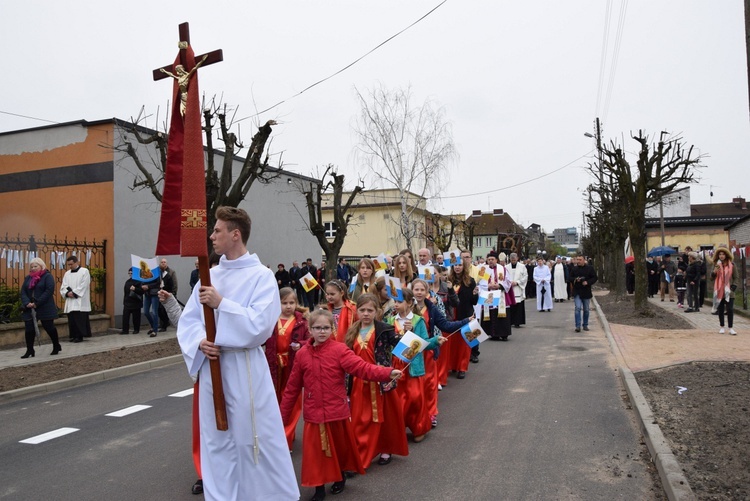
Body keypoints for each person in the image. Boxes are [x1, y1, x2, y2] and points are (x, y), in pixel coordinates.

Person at [176, 206, 298, 501]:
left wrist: (222, 304)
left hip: (245, 368)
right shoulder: (210, 275)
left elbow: (260, 326)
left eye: (217, 230)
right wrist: (199, 343)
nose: (211, 236)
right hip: (213, 366)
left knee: (251, 439)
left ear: (235, 234)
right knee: (216, 441)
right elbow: (189, 321)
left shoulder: (262, 277)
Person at [280, 309, 401, 501]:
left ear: (333, 329)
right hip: (314, 413)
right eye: (317, 328)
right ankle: (318, 487)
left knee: (339, 449)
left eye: (326, 328)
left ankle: (340, 476)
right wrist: (282, 419)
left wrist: (387, 372)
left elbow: (362, 368)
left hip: (336, 410)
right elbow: (292, 389)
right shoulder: (302, 355)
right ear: (310, 330)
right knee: (315, 454)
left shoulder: (340, 350)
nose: (321, 332)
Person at [160, 251, 221, 497]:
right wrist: (170, 302)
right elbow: (187, 323)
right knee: (207, 430)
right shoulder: (201, 290)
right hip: (207, 376)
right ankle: (205, 474)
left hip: (235, 376)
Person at [344, 293, 409, 468]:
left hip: (381, 381)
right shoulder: (352, 331)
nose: (366, 313)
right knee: (360, 420)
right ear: (356, 311)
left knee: (385, 418)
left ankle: (385, 448)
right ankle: (360, 453)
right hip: (358, 382)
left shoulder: (385, 329)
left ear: (377, 312)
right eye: (362, 310)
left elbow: (403, 345)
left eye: (370, 310)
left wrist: (412, 335)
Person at [386, 287, 446, 443]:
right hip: (396, 366)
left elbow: (424, 342)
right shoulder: (390, 321)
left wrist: (435, 341)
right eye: (395, 302)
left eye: (399, 301)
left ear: (409, 303)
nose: (396, 305)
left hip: (412, 365)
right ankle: (399, 429)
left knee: (415, 398)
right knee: (398, 400)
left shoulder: (418, 320)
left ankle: (419, 426)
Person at [265, 287, 310, 450]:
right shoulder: (271, 320)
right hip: (274, 366)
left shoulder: (302, 322)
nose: (288, 306)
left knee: (291, 400)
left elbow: (310, 341)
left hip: (293, 365)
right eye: (284, 303)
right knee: (275, 400)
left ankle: (286, 436)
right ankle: (278, 433)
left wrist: (301, 345)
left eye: (292, 302)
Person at [20, 258, 61, 358]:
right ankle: (30, 350)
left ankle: (56, 345)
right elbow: (23, 292)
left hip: (44, 306)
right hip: (30, 307)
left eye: (35, 266)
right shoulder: (28, 278)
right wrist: (27, 303)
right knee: (29, 329)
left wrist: (37, 303)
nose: (33, 268)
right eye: (32, 267)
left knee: (49, 327)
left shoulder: (47, 276)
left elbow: (49, 291)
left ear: (41, 266)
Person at [448, 260, 478, 370]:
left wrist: (475, 294)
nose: (457, 267)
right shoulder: (448, 280)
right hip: (452, 316)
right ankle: (453, 366)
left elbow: (474, 302)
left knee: (466, 344)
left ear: (464, 266)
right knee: (454, 344)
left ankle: (462, 368)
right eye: (455, 265)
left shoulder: (470, 281)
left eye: (460, 265)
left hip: (466, 314)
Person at [60, 255, 92, 343]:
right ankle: (73, 335)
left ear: (76, 262)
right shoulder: (67, 273)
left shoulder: (84, 271)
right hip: (70, 300)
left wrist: (74, 293)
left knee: (79, 319)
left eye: (71, 264)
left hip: (80, 300)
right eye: (69, 265)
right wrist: (67, 292)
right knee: (72, 319)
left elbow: (84, 284)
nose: (70, 266)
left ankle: (80, 336)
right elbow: (64, 285)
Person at [711, 247, 739, 335]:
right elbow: (711, 278)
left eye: (723, 254)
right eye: (720, 254)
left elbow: (736, 277)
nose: (721, 256)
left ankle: (731, 328)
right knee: (721, 309)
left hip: (729, 291)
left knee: (730, 309)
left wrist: (733, 287)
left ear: (726, 255)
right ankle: (722, 326)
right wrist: (714, 272)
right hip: (719, 290)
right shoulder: (716, 264)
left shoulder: (732, 265)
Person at [570, 254, 598, 332]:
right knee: (577, 308)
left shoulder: (589, 268)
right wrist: (576, 279)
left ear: (584, 260)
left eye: (580, 260)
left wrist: (587, 282)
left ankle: (585, 325)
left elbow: (595, 278)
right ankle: (577, 326)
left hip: (586, 291)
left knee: (586, 309)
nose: (578, 261)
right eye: (577, 260)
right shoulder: (574, 269)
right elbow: (569, 278)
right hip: (577, 291)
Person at [507, 253, 528, 328]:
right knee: (510, 305)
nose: (513, 260)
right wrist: (509, 283)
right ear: (510, 259)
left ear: (517, 258)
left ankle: (517, 322)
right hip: (510, 288)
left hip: (518, 288)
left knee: (518, 306)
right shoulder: (506, 267)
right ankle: (510, 321)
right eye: (512, 259)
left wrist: (517, 282)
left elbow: (525, 277)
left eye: (514, 259)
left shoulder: (522, 267)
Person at [121, 268, 143, 334]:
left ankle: (136, 329)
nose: (130, 274)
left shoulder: (139, 281)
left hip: (135, 302)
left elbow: (142, 291)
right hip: (127, 302)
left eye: (131, 273)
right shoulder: (127, 281)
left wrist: (135, 289)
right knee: (125, 317)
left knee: (136, 317)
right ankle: (125, 330)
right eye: (129, 273)